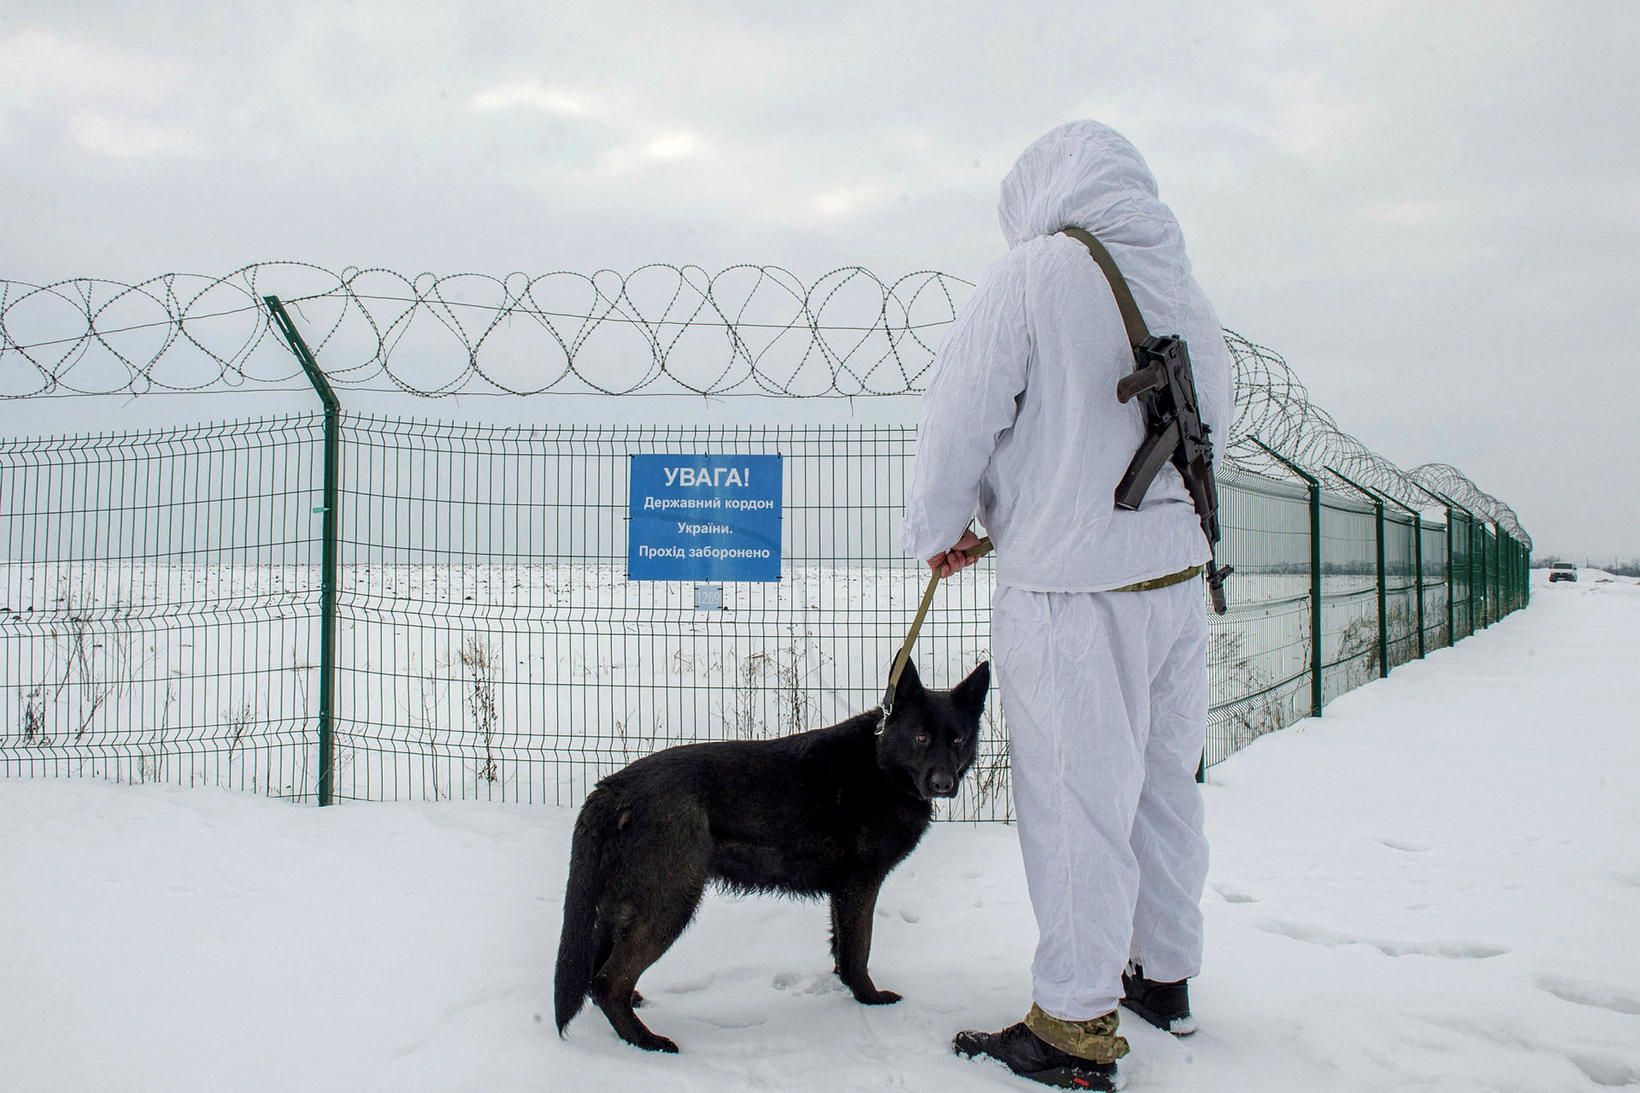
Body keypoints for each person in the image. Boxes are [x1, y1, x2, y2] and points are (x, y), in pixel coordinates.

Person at [900, 120, 1233, 1090]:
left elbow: (960, 414)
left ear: (1039, 191)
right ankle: (1159, 969)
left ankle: (1073, 1021)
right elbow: (1207, 420)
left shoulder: (1035, 273)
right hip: (1173, 576)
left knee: (1075, 798)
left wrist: (940, 524)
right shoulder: (1183, 287)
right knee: (1162, 787)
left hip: (1071, 595)